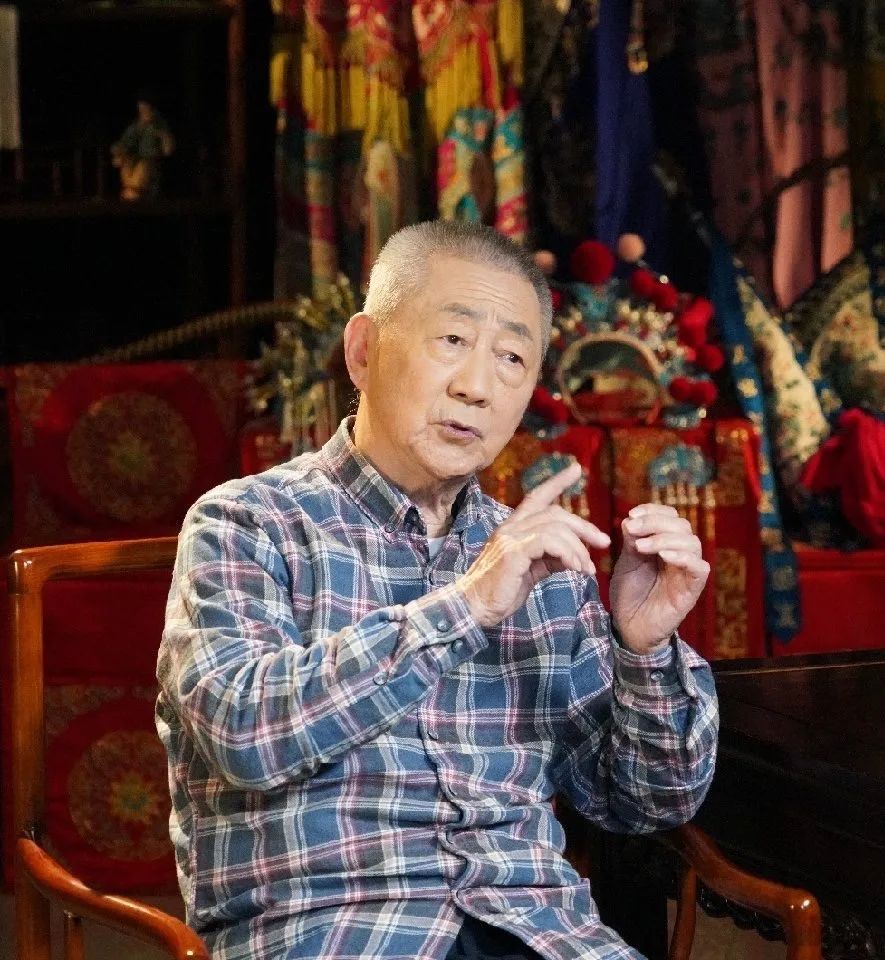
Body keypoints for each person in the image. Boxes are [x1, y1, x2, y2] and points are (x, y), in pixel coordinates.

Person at [157, 220, 718, 960]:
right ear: (364, 351)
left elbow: (644, 802)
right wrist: (467, 607)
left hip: (538, 931)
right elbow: (244, 736)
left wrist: (642, 651)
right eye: (452, 340)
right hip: (337, 931)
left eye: (511, 358)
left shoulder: (542, 556)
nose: (476, 387)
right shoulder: (248, 522)